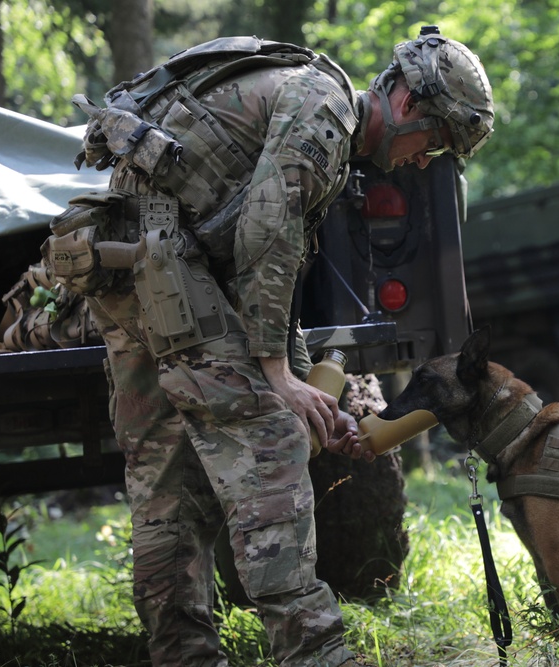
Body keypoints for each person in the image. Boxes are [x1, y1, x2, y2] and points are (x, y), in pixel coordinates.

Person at [55, 26, 493, 667]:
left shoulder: (317, 107)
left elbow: (262, 263)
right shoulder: (326, 108)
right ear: (408, 107)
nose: (425, 161)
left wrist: (297, 382)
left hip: (131, 265)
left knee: (166, 474)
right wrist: (278, 382)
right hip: (164, 263)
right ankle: (316, 653)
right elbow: (267, 229)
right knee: (271, 446)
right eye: (436, 141)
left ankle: (183, 654)